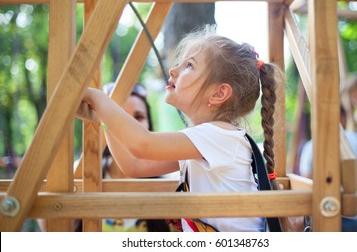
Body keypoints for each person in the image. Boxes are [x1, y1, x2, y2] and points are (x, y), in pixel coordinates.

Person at [80, 25, 288, 232]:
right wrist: (103, 118)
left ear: (218, 93)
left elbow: (142, 145)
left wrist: (98, 98)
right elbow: (134, 165)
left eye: (189, 65)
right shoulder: (205, 141)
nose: (173, 70)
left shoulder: (220, 135)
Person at [299, 105, 357, 232]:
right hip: (354, 217)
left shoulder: (311, 145)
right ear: (343, 118)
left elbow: (306, 184)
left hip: (323, 217)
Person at [101, 82, 171, 232]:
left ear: (149, 125)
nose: (130, 126)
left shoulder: (168, 186)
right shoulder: (80, 174)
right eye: (122, 117)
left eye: (138, 117)